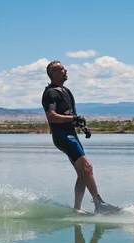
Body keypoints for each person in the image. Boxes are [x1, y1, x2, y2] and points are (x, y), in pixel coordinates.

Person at [42, 60, 119, 214]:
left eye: (64, 68)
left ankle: (77, 209)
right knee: (88, 168)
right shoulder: (50, 93)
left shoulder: (67, 91)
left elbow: (71, 115)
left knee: (82, 174)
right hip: (63, 137)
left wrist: (82, 126)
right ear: (53, 74)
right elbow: (51, 117)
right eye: (61, 69)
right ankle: (99, 203)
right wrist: (72, 119)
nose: (65, 70)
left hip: (71, 135)